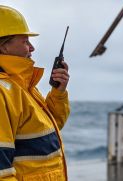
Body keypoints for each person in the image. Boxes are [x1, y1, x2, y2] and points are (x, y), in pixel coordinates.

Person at [0, 5, 70, 180]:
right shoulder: (4, 91)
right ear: (4, 47)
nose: (31, 48)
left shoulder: (21, 85)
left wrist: (58, 92)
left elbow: (49, 130)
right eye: (25, 41)